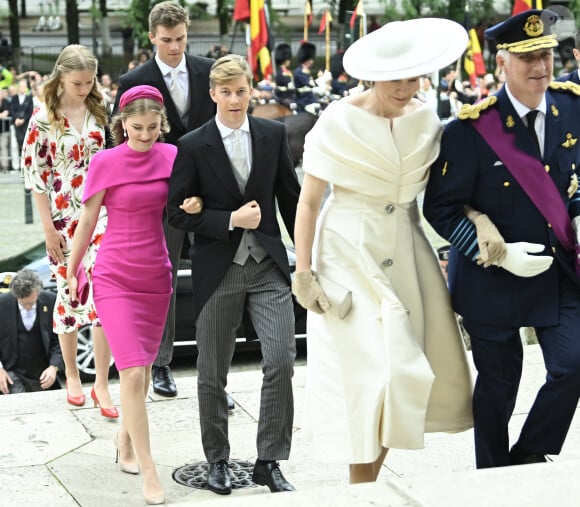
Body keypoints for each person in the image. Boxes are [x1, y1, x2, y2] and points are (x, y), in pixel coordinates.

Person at [292, 18, 473, 484]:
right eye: (397, 78)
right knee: (369, 378)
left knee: (403, 377)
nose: (406, 87)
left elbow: (448, 191)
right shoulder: (336, 119)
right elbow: (309, 202)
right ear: (373, 75)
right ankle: (362, 487)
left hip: (406, 251)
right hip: (348, 252)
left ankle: (365, 486)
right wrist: (304, 271)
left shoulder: (427, 119)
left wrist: (479, 221)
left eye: (414, 77)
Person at [423, 9, 580, 469]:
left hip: (556, 271)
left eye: (547, 54)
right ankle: (490, 476)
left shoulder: (572, 108)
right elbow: (440, 208)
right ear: (502, 63)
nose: (541, 68)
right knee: (497, 385)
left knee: (572, 364)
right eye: (528, 57)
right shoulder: (470, 130)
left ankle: (529, 451)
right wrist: (495, 252)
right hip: (493, 279)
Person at [167, 54, 300, 495]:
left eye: (241, 91)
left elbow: (292, 200)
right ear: (213, 95)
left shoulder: (273, 134)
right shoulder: (192, 145)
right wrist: (226, 221)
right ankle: (218, 459)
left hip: (267, 266)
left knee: (281, 360)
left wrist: (313, 251)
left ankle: (269, 460)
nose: (234, 99)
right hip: (217, 270)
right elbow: (175, 214)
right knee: (211, 373)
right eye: (225, 92)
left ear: (250, 90)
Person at [67, 85, 184, 505]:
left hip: (157, 274)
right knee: (132, 373)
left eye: (154, 127)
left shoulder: (173, 157)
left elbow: (193, 202)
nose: (146, 135)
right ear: (122, 124)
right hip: (114, 274)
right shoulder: (105, 162)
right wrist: (71, 267)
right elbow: (86, 220)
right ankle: (149, 470)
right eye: (137, 127)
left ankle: (124, 436)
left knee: (145, 369)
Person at [113, 0, 216, 398]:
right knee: (165, 279)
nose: (175, 47)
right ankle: (162, 364)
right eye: (168, 40)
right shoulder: (133, 80)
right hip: (162, 197)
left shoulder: (209, 71)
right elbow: (123, 145)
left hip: (210, 194)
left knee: (216, 278)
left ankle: (213, 362)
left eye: (181, 38)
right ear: (152, 36)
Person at [21, 44, 117, 418]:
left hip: (102, 214)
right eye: (78, 82)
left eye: (90, 81)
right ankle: (73, 377)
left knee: (103, 294)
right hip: (62, 219)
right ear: (61, 76)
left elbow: (114, 155)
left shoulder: (99, 106)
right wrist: (48, 230)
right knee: (69, 294)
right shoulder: (42, 118)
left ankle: (103, 384)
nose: (85, 88)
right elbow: (36, 179)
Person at [0, 269, 64, 394]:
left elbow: (60, 339)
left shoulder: (51, 300)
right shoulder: (2, 304)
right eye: (24, 304)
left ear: (38, 291)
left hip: (43, 373)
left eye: (31, 303)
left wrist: (54, 367)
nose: (28, 307)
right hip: (12, 372)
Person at [9, 78, 34, 159]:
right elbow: (11, 109)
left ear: (26, 87)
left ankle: (25, 160)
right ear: (18, 87)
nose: (22, 88)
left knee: (25, 143)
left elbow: (30, 111)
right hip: (15, 123)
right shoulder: (14, 98)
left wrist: (23, 119)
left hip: (26, 123)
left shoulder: (29, 98)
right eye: (21, 86)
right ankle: (17, 164)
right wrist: (16, 118)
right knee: (15, 144)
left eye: (24, 86)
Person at [293, 41, 320, 115]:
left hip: (310, 98)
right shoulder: (299, 71)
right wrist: (320, 79)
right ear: (305, 59)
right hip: (304, 101)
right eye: (310, 59)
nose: (312, 62)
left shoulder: (305, 71)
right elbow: (310, 84)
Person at [273, 43, 296, 108]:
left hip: (291, 95)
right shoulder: (280, 72)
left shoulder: (288, 71)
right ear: (285, 60)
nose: (289, 61)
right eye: (288, 59)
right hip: (284, 97)